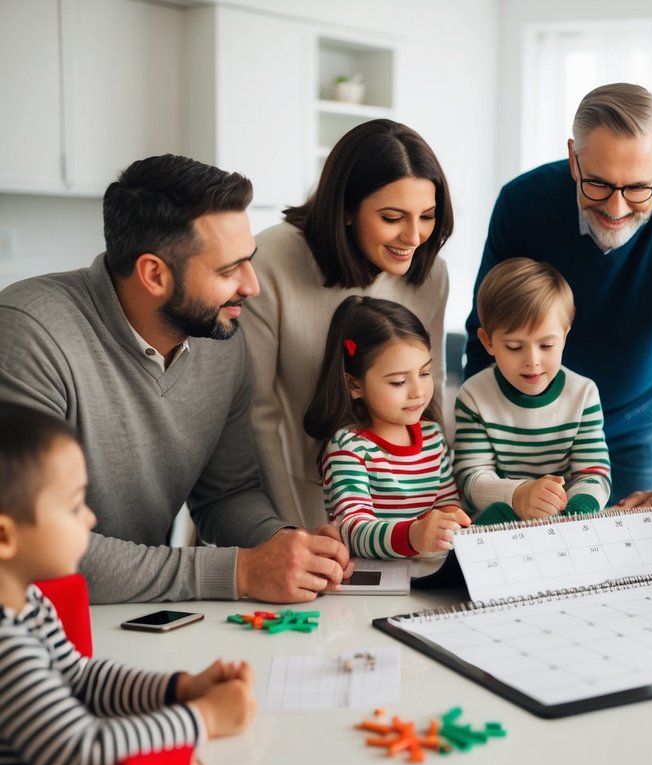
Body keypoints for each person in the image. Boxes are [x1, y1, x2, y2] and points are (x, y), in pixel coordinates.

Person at [0, 154, 348, 604]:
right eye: (228, 270)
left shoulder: (220, 338)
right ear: (154, 274)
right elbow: (29, 546)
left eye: (250, 262)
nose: (252, 286)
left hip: (132, 617)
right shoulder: (29, 333)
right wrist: (238, 572)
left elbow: (226, 494)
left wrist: (285, 545)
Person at [464, 83, 652, 519]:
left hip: (639, 422)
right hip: (525, 425)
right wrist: (479, 439)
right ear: (574, 157)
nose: (616, 207)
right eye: (597, 184)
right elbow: (485, 330)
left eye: (637, 189)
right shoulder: (523, 203)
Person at [0, 402, 256, 765]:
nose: (91, 517)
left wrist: (181, 688)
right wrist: (204, 718)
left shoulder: (29, 604)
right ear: (5, 536)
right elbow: (85, 758)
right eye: (73, 506)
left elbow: (81, 679)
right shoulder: (6, 645)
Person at [246, 119, 454, 528]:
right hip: (299, 496)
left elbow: (434, 389)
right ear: (345, 209)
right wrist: (285, 529)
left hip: (411, 506)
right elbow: (258, 412)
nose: (414, 237)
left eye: (427, 216)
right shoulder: (271, 260)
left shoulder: (430, 273)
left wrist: (438, 508)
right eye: (393, 217)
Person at [305, 296, 469, 581]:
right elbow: (353, 530)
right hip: (374, 582)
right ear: (355, 384)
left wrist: (452, 518)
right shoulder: (349, 449)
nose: (418, 391)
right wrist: (415, 534)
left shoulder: (431, 435)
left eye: (425, 372)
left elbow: (447, 501)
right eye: (398, 382)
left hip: (431, 575)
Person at [454, 258, 611, 524]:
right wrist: (518, 494)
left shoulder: (583, 394)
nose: (532, 361)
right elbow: (472, 478)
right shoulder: (474, 396)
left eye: (547, 345)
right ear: (487, 342)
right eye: (515, 347)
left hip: (562, 518)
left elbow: (593, 473)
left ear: (564, 336)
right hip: (498, 520)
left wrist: (579, 507)